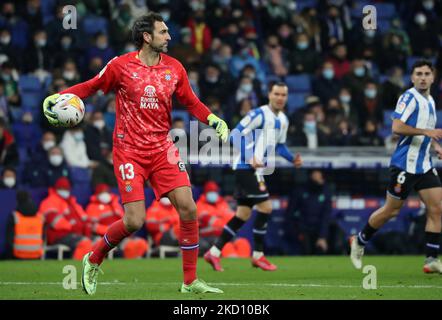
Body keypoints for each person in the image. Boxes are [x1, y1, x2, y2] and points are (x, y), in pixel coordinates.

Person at [42, 13, 228, 295]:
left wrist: (213, 119)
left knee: (189, 208)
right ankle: (93, 258)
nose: (169, 36)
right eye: (163, 32)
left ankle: (190, 281)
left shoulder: (174, 68)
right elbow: (91, 86)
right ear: (146, 36)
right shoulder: (121, 66)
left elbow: (190, 100)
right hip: (129, 151)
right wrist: (61, 96)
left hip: (162, 149)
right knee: (134, 221)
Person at [350, 60, 442, 274]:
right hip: (404, 165)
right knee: (391, 211)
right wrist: (427, 133)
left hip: (424, 165)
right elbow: (396, 127)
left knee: (437, 208)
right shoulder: (409, 97)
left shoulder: (429, 100)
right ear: (412, 77)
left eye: (427, 74)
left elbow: (426, 131)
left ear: (433, 77)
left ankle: (431, 259)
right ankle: (359, 240)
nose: (422, 77)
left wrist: (435, 145)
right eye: (418, 73)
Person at [204, 82, 302, 272]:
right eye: (277, 94)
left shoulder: (283, 120)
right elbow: (235, 135)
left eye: (283, 95)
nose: (280, 98)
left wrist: (292, 159)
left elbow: (279, 146)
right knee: (266, 207)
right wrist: (249, 157)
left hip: (255, 170)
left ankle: (213, 253)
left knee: (242, 215)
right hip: (244, 167)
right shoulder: (258, 114)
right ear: (269, 94)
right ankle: (258, 255)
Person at [85, 184, 148, 259]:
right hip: (102, 237)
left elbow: (125, 220)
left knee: (140, 243)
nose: (105, 195)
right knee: (95, 244)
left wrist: (117, 232)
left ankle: (129, 265)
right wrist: (110, 231)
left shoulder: (115, 204)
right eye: (102, 193)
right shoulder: (92, 207)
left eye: (106, 192)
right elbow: (93, 227)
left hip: (120, 236)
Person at [38, 177, 93, 260]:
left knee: (99, 242)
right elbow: (55, 221)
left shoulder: (72, 203)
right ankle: (78, 268)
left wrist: (87, 227)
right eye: (62, 188)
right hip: (59, 235)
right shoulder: (49, 202)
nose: (64, 190)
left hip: (76, 234)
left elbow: (85, 218)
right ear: (56, 188)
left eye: (66, 188)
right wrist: (73, 226)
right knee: (84, 243)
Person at [285, 170, 332, 255]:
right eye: (315, 176)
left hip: (319, 229)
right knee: (305, 250)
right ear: (310, 176)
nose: (317, 179)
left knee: (321, 250)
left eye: (319, 177)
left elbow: (326, 216)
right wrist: (295, 231)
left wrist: (322, 236)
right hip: (303, 229)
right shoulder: (300, 191)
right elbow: (290, 212)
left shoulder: (326, 192)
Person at [5, 191, 44, 259]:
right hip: (36, 254)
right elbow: (43, 237)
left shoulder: (14, 216)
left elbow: (9, 239)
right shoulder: (40, 217)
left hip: (18, 255)